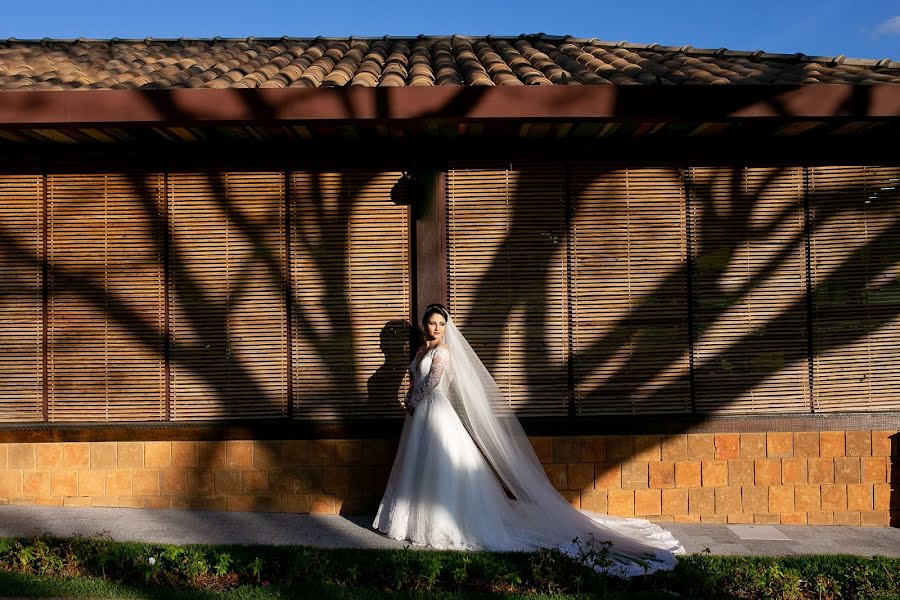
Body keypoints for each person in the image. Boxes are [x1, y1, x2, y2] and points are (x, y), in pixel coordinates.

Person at [373, 303, 683, 578]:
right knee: (418, 466)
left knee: (437, 466)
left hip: (435, 413)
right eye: (432, 323)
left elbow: (431, 383)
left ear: (447, 326)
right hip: (418, 418)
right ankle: (412, 521)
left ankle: (440, 523)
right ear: (425, 325)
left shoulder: (443, 353)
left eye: (441, 323)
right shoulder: (420, 351)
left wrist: (412, 402)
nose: (436, 327)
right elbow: (415, 379)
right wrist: (410, 401)